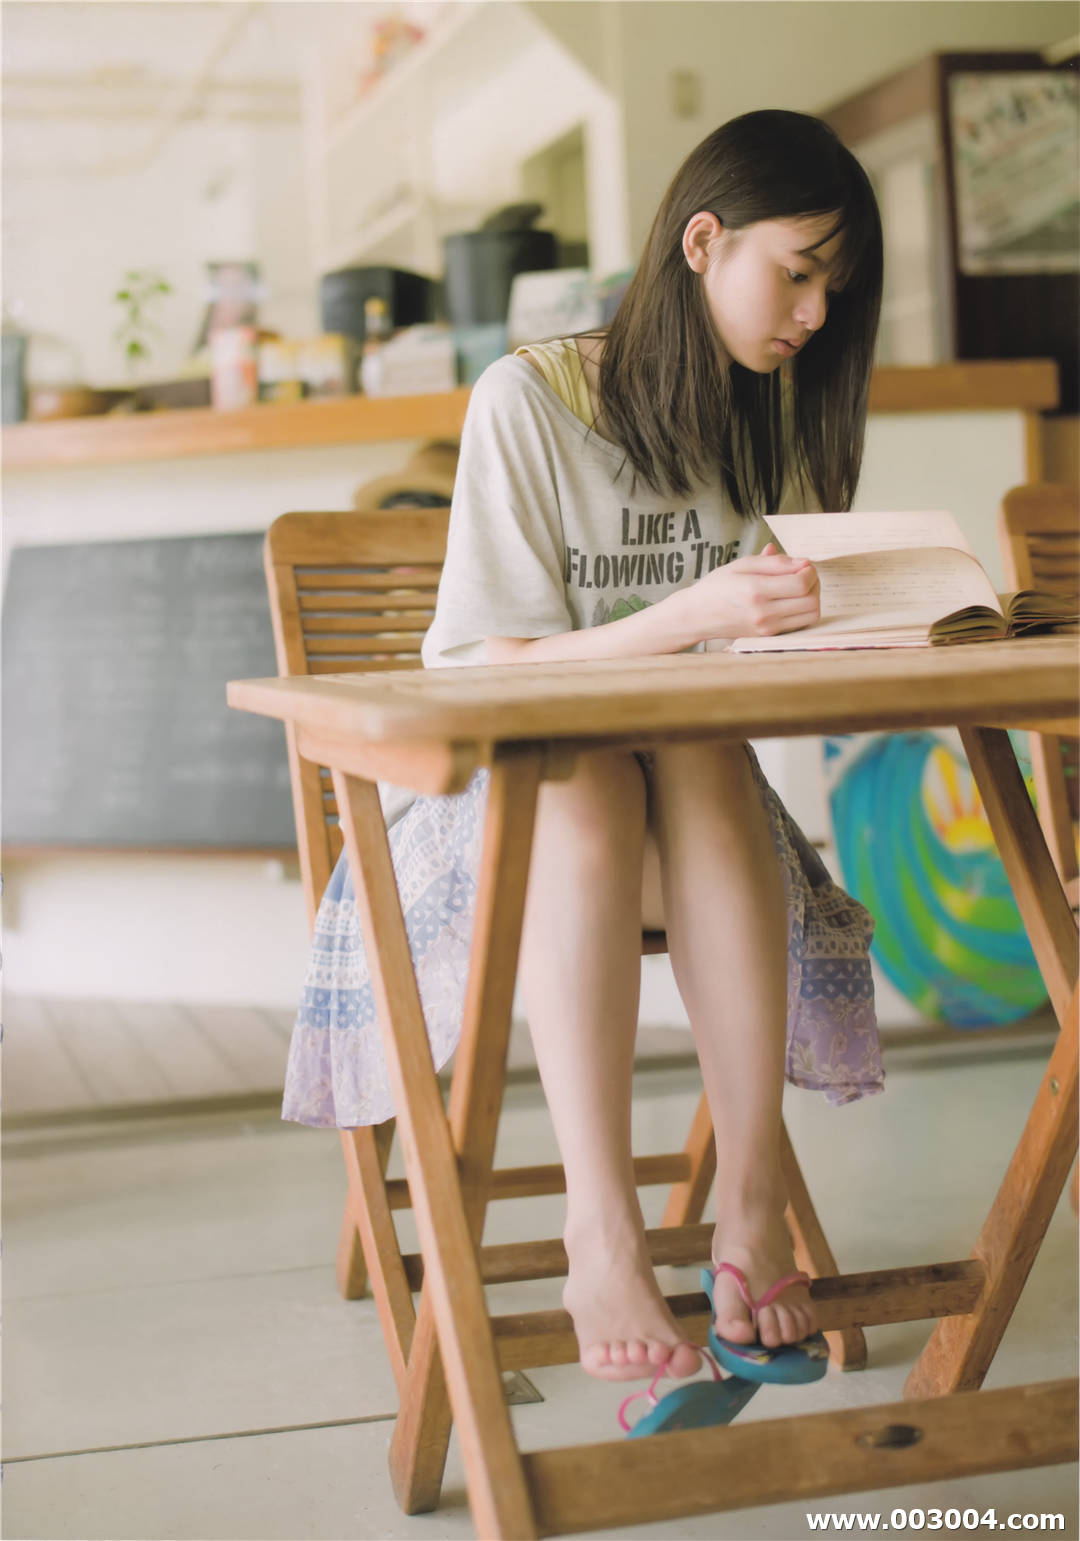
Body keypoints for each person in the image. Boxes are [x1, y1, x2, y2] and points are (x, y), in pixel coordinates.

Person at [284, 109, 885, 1386]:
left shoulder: (756, 415)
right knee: (589, 768)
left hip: (699, 820)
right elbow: (478, 672)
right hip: (506, 816)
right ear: (702, 241)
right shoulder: (529, 400)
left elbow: (743, 665)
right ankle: (601, 1226)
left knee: (695, 744)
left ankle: (748, 1201)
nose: (815, 314)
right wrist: (690, 616)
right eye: (799, 272)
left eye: (836, 290)